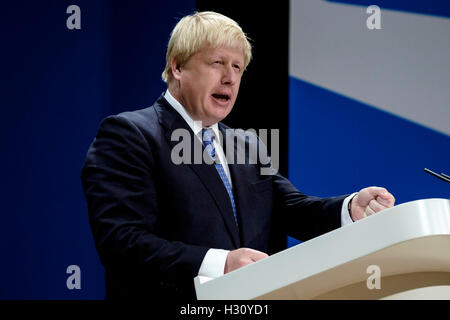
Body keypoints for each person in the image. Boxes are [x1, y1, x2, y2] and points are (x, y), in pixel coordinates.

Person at [81, 11, 395, 300]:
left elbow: (293, 210)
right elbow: (122, 242)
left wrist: (350, 208)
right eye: (217, 63)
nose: (230, 78)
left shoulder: (246, 144)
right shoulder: (129, 134)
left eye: (237, 67)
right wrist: (222, 264)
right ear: (177, 66)